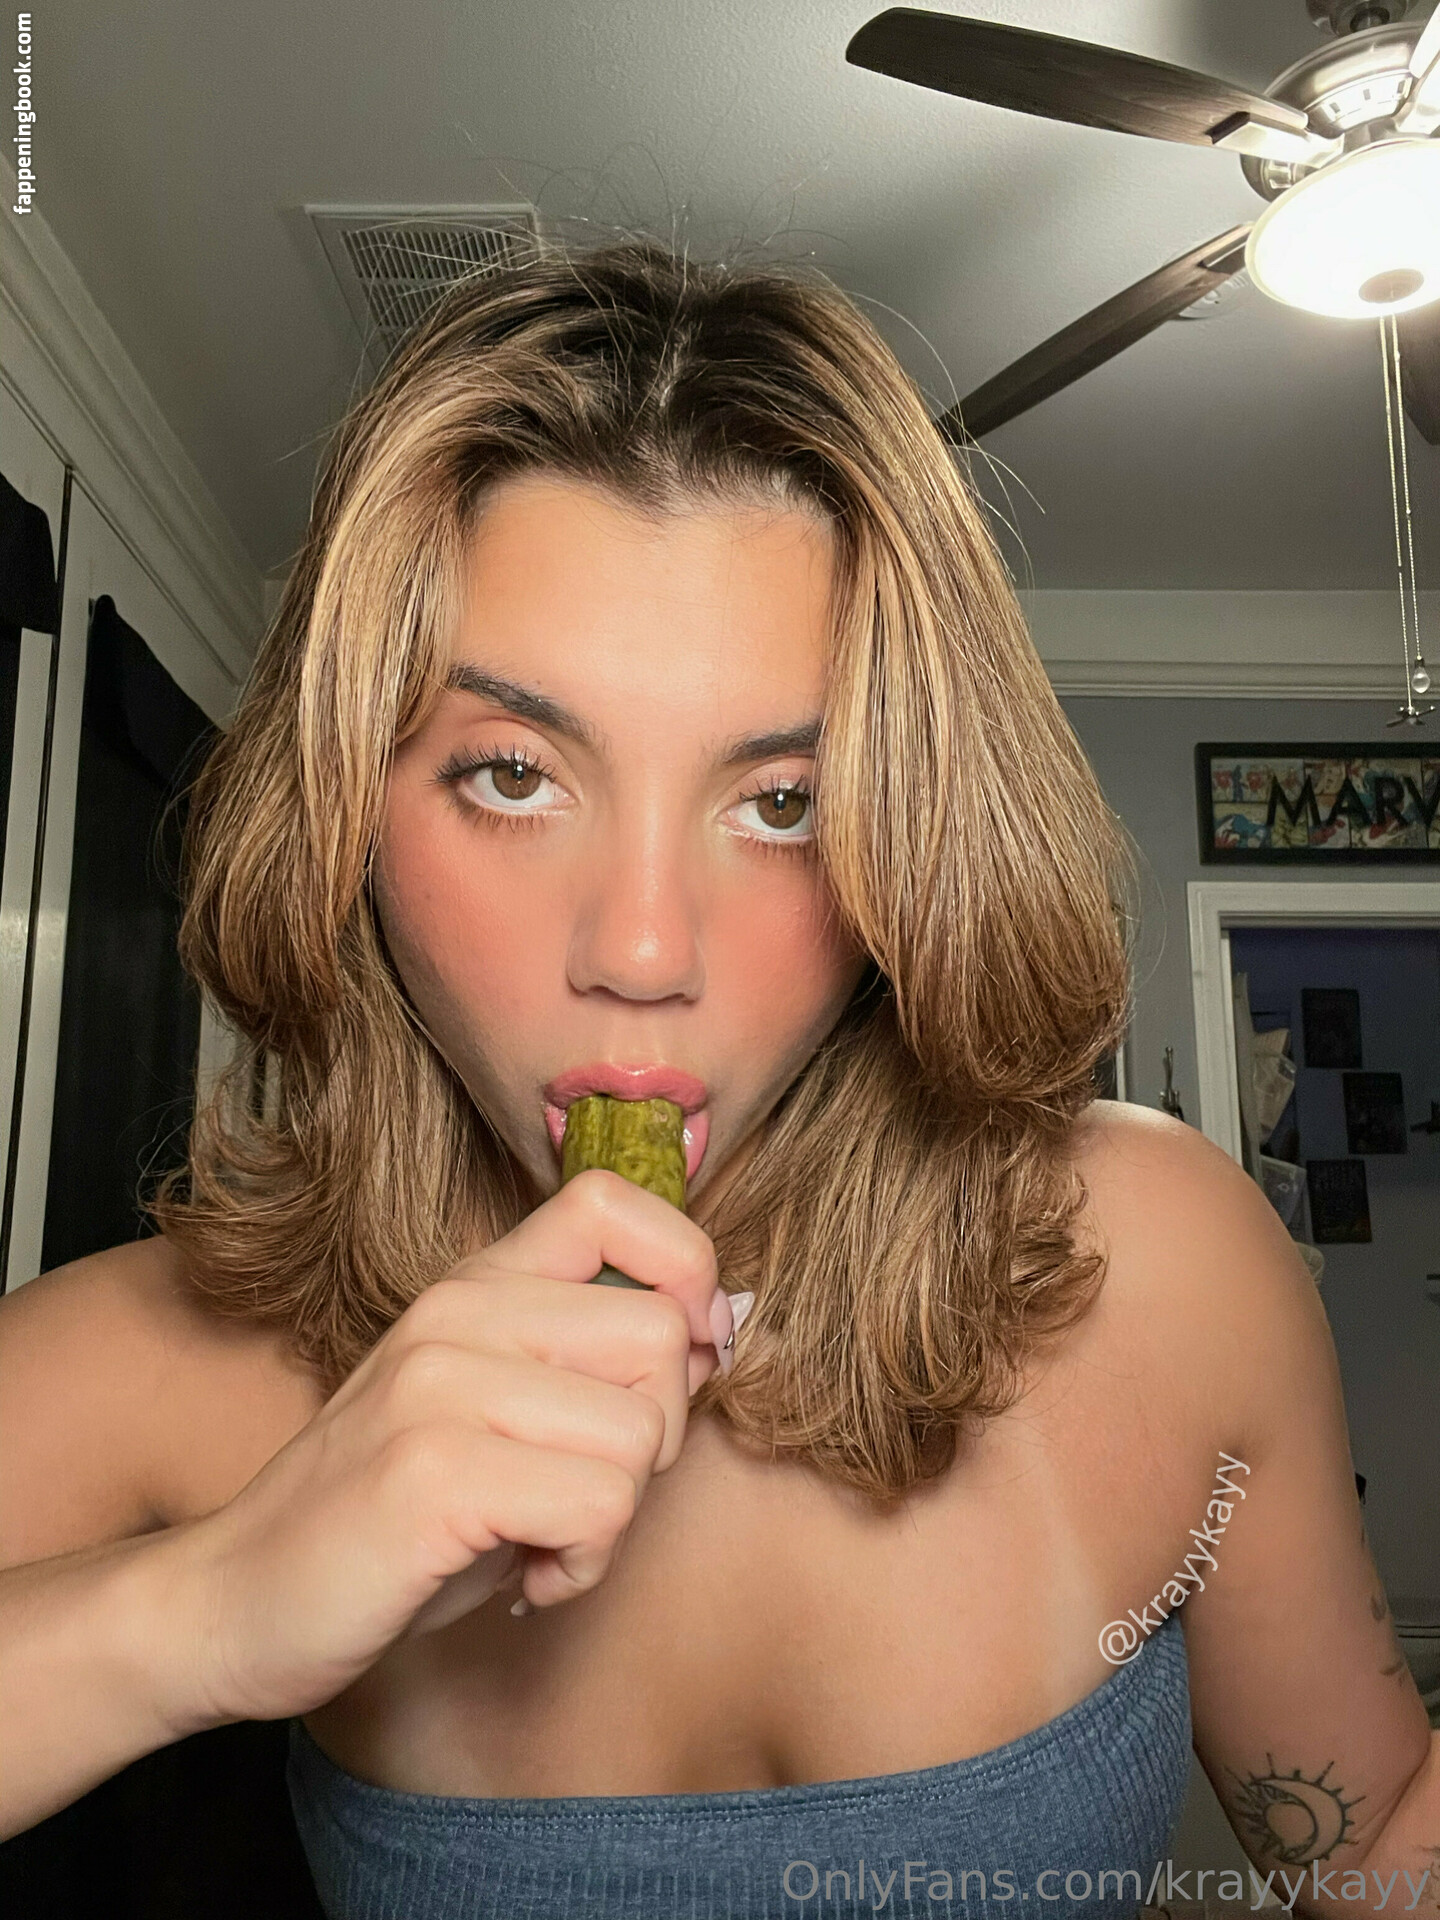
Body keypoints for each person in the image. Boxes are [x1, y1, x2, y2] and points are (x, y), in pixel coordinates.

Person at [0, 238, 1432, 1920]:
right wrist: (204, 1610)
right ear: (350, 804)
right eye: (513, 775)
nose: (643, 947)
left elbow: (1370, 1841)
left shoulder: (1161, 1263)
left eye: (781, 804)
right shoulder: (179, 1357)